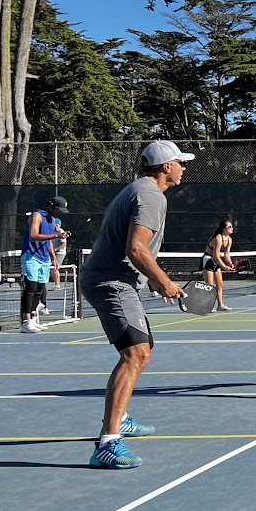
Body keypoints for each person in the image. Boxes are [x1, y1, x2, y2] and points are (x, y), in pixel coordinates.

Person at [80, 140, 192, 469]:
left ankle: (121, 417)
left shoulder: (140, 189)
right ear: (165, 167)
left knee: (144, 348)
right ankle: (108, 443)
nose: (184, 168)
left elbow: (134, 251)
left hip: (116, 280)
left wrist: (154, 280)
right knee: (136, 354)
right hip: (111, 282)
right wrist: (166, 280)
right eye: (180, 163)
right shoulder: (150, 195)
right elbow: (136, 248)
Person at [19, 196, 68, 333]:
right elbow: (33, 235)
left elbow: (48, 242)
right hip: (31, 255)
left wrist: (53, 257)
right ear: (51, 206)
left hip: (44, 258)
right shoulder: (37, 215)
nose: (59, 213)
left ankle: (33, 319)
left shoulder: (52, 220)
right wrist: (57, 236)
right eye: (58, 210)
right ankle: (25, 321)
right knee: (31, 287)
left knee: (40, 289)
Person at [200, 219, 236, 312]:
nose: (232, 228)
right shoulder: (218, 238)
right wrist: (224, 266)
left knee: (220, 285)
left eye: (232, 226)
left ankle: (220, 305)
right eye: (230, 227)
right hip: (208, 260)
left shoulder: (229, 239)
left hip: (216, 261)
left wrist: (229, 263)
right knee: (210, 285)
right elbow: (216, 255)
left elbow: (226, 254)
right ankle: (208, 306)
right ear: (224, 228)